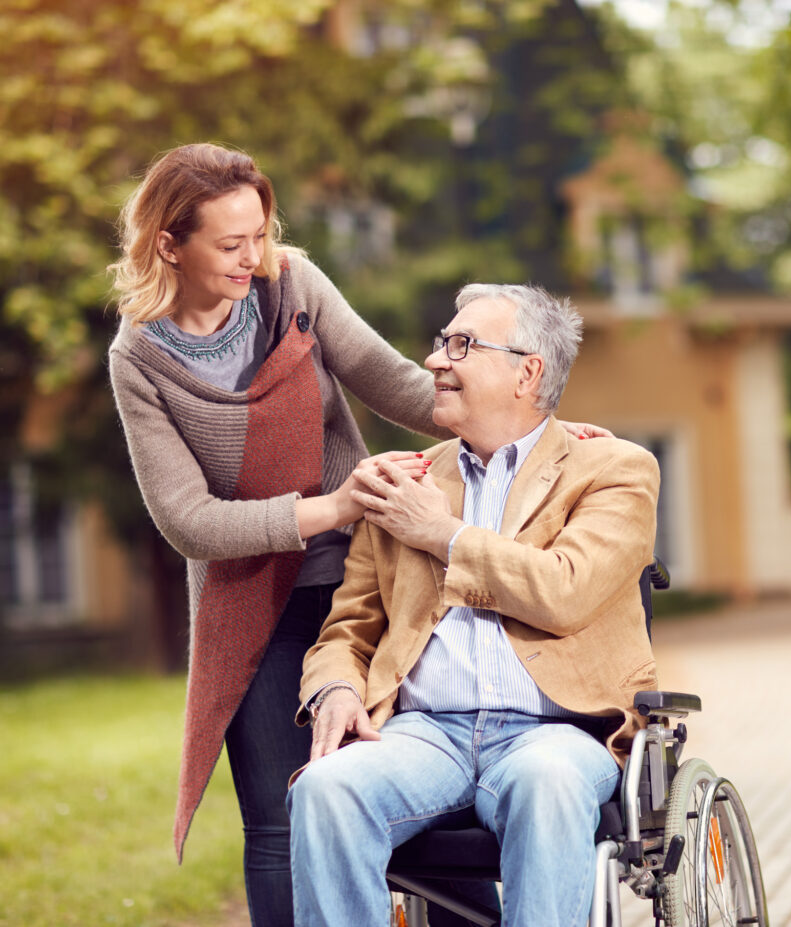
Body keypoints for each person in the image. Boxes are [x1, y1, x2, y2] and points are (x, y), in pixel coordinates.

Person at [107, 143, 605, 927]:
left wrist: (530, 422)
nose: (253, 257)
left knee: (435, 777)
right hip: (254, 598)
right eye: (230, 244)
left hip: (367, 572)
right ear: (170, 244)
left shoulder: (291, 286)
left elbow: (397, 381)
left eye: (261, 234)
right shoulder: (140, 359)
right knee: (279, 817)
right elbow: (188, 521)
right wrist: (334, 508)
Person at [287, 283, 661, 927]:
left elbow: (565, 590)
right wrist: (335, 692)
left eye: (461, 345)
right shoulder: (405, 479)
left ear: (528, 371)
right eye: (441, 343)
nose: (435, 360)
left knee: (547, 785)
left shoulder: (616, 470)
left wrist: (443, 535)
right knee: (324, 789)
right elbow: (347, 631)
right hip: (424, 733)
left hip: (557, 732)